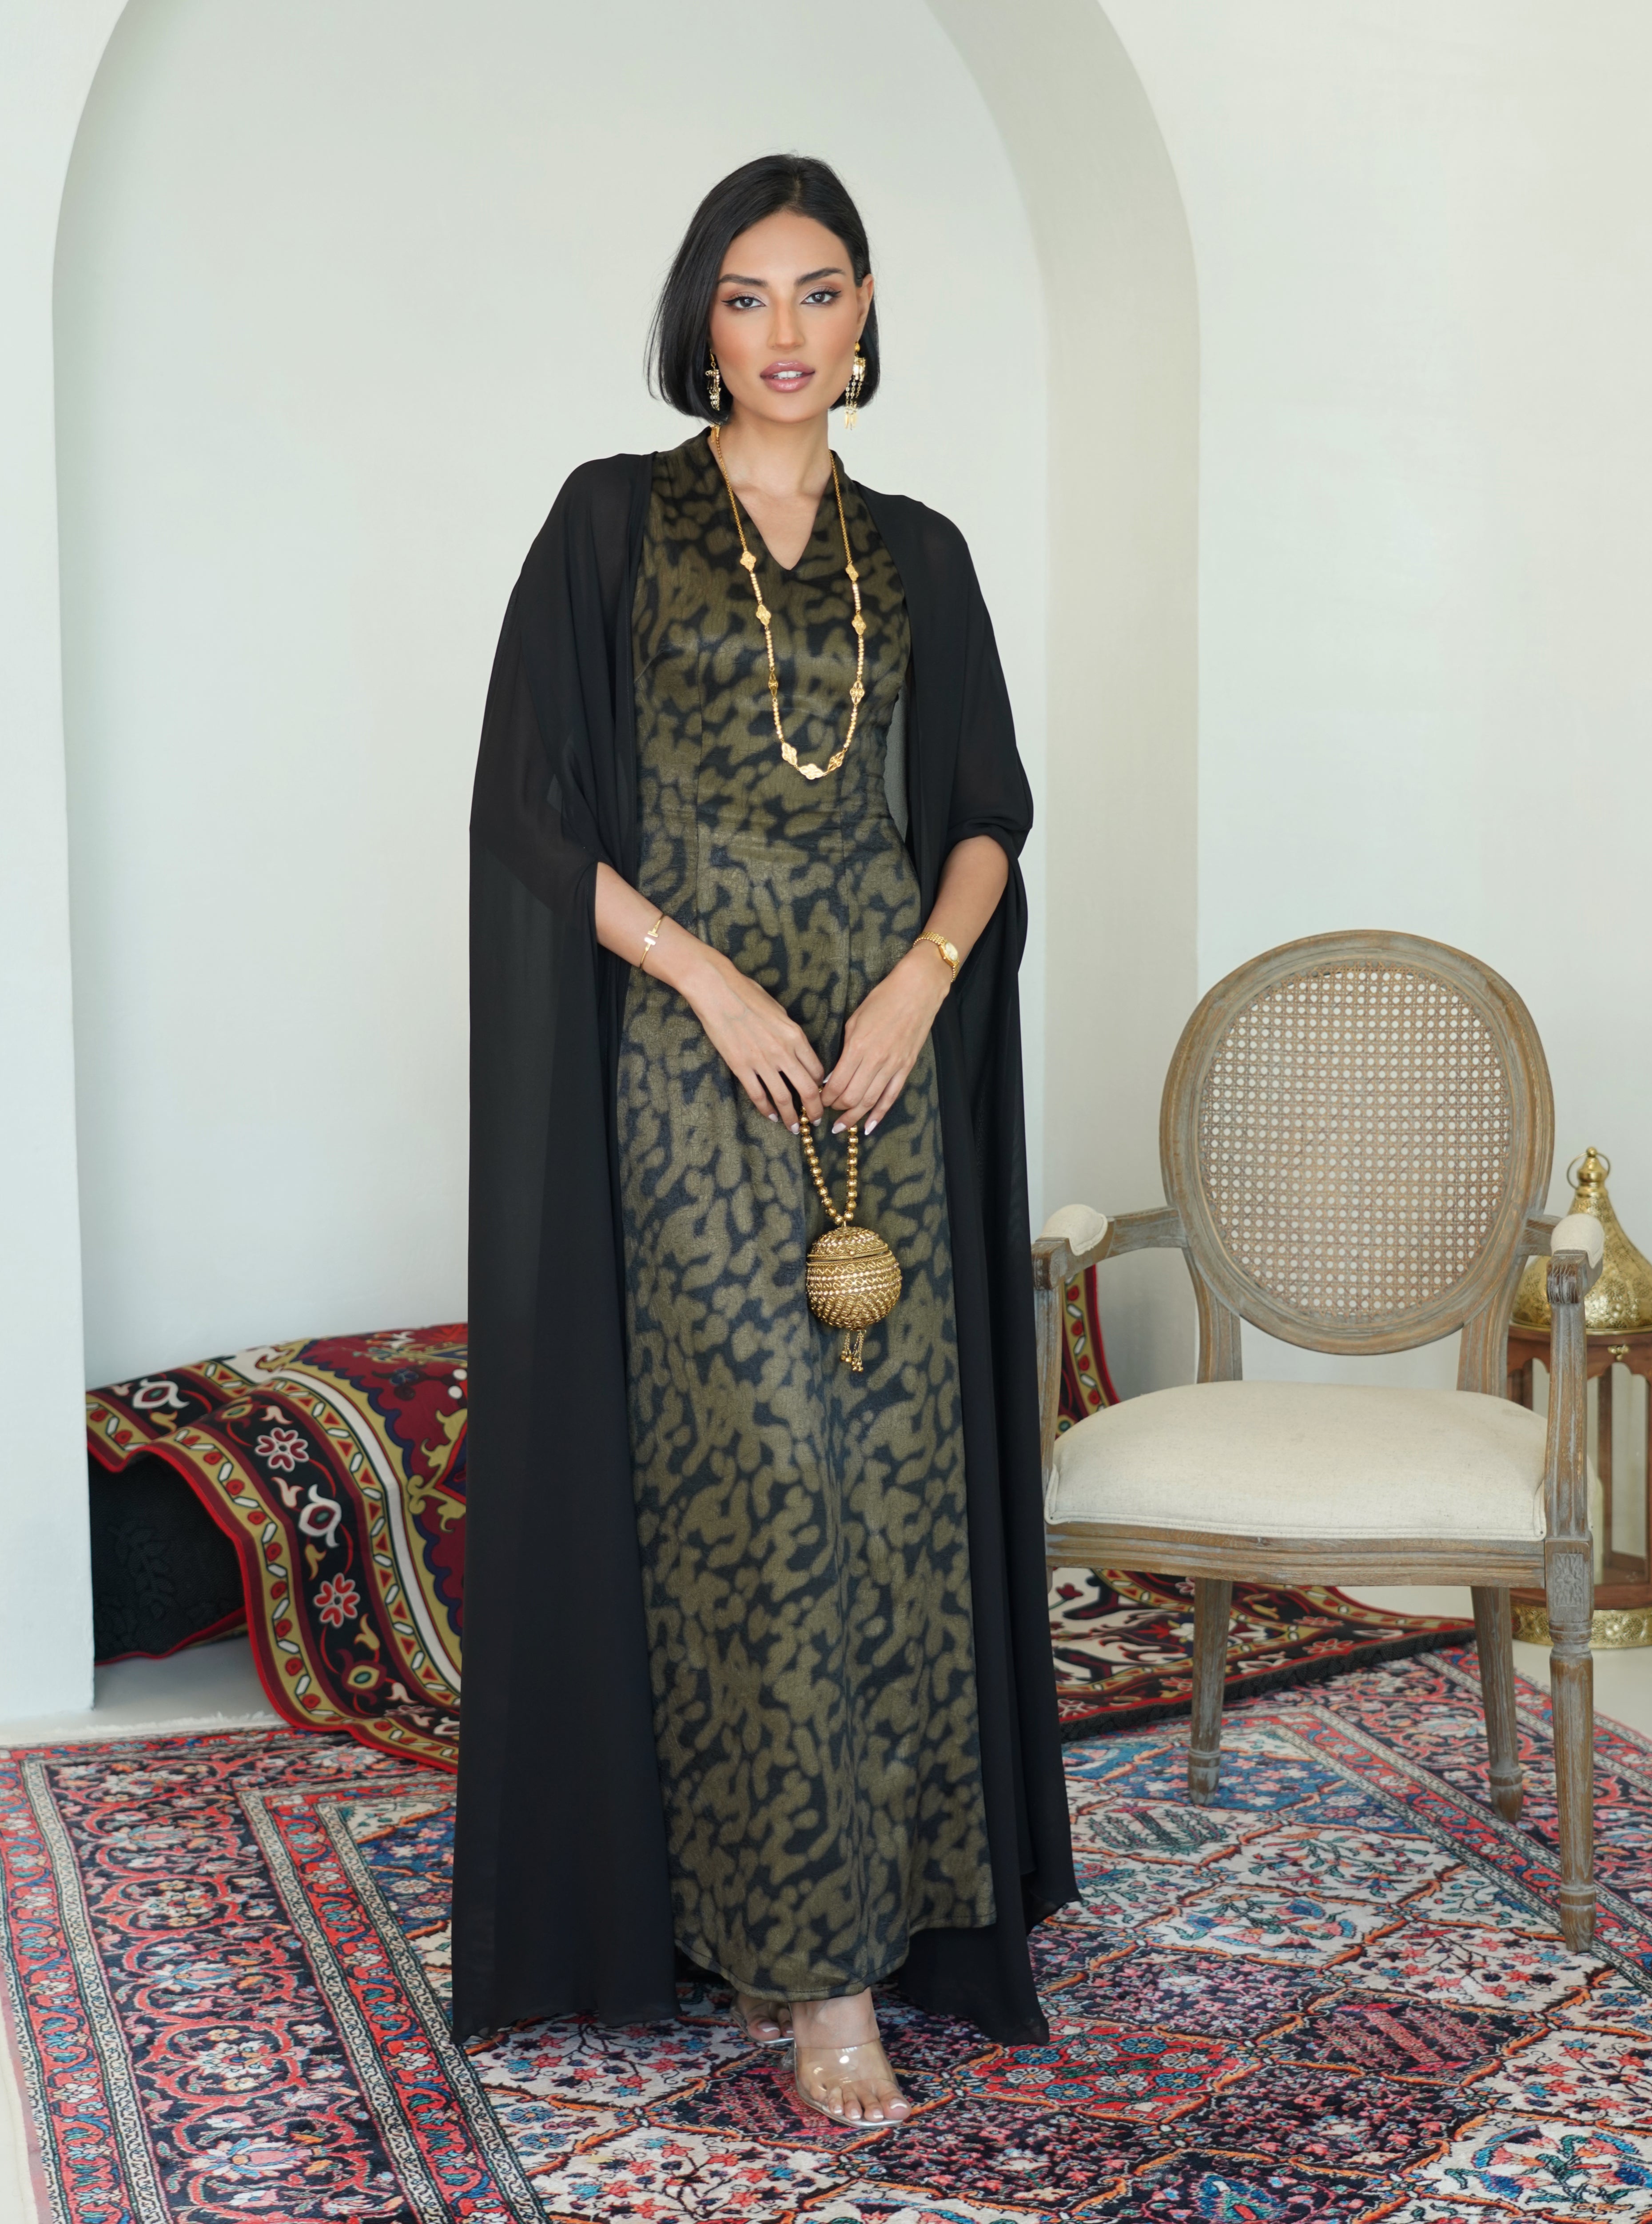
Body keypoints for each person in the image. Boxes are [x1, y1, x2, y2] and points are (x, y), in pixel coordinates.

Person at [453, 152, 1073, 2127]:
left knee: (893, 1496)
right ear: (698, 323)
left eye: (817, 291)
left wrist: (921, 986)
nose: (783, 332)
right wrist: (707, 984)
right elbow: (527, 813)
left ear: (866, 312)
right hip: (694, 1074)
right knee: (761, 1494)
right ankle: (814, 1971)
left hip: (885, 1072)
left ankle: (909, 1903)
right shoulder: (608, 522)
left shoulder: (925, 554)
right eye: (744, 295)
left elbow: (983, 812)